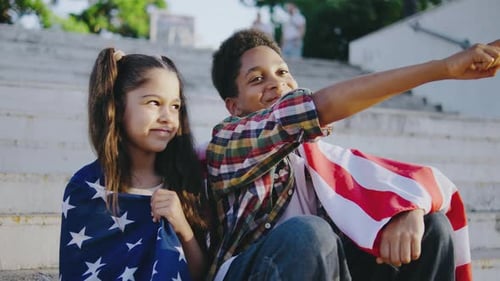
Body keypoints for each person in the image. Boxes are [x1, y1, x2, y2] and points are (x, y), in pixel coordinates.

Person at [205, 29, 500, 281]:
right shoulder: (227, 143)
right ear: (234, 106)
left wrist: (409, 209)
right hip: (254, 269)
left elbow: (387, 187)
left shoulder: (319, 158)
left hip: (323, 260)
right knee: (309, 234)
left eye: (282, 72)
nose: (276, 83)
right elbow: (315, 108)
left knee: (432, 227)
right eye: (257, 79)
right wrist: (443, 69)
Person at [59, 48, 209, 281]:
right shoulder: (85, 188)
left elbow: (201, 275)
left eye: (175, 106)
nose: (167, 117)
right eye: (153, 103)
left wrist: (180, 224)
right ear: (118, 108)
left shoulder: (185, 183)